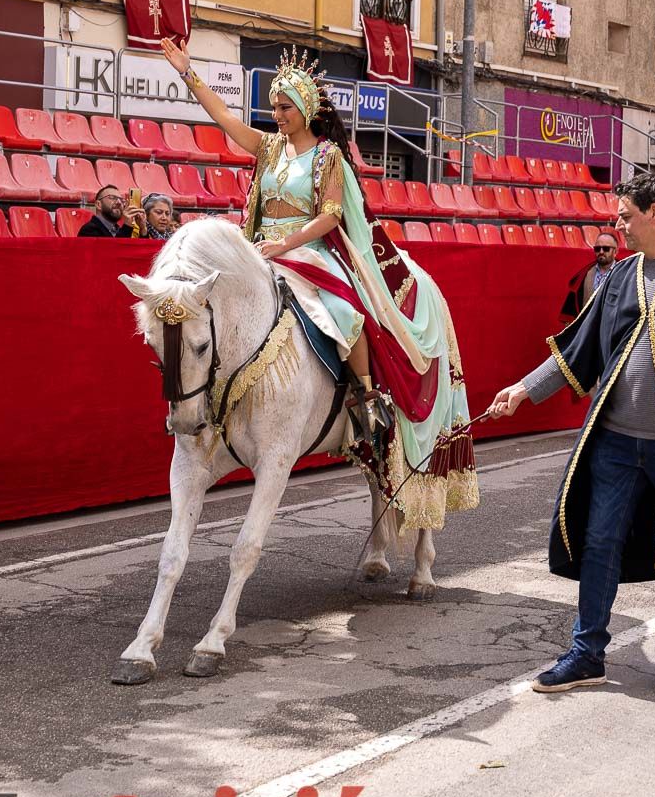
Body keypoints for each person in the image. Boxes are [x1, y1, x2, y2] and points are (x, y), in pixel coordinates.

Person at [157, 36, 479, 533]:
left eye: (285, 107)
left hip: (310, 252)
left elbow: (330, 218)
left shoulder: (327, 155)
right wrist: (188, 72)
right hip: (259, 252)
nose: (278, 114)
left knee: (345, 314)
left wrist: (284, 247)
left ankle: (366, 400)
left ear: (306, 109)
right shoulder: (268, 148)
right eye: (274, 107)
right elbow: (225, 122)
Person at [491, 172, 655, 697]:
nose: (616, 224)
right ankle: (586, 655)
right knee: (600, 543)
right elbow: (577, 350)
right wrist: (522, 389)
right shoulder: (620, 277)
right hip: (616, 443)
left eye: (625, 215)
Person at [560, 231, 618, 322]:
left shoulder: (624, 274)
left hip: (614, 330)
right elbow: (570, 313)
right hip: (588, 330)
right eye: (597, 249)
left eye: (606, 249)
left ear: (615, 252)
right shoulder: (584, 275)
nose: (601, 252)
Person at [77, 185, 147, 237]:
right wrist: (127, 226)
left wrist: (143, 230)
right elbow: (115, 253)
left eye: (121, 199)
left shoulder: (118, 229)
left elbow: (140, 253)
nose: (119, 202)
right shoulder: (89, 230)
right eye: (112, 198)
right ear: (98, 204)